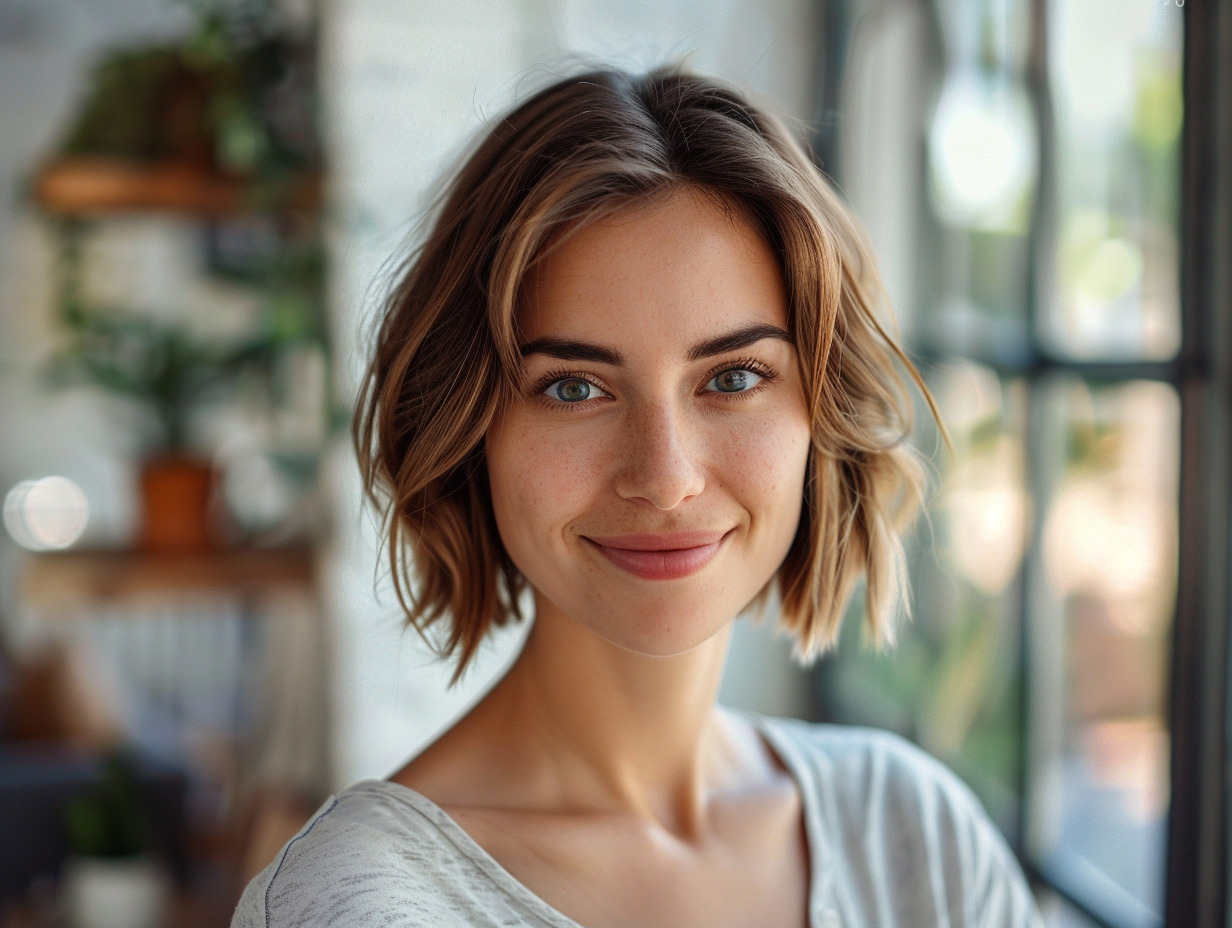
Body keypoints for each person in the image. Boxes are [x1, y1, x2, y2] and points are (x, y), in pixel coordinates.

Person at [231, 66, 1044, 927]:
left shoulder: (914, 833)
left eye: (733, 377)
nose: (664, 477)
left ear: (821, 413)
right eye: (574, 388)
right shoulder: (361, 907)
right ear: (470, 430)